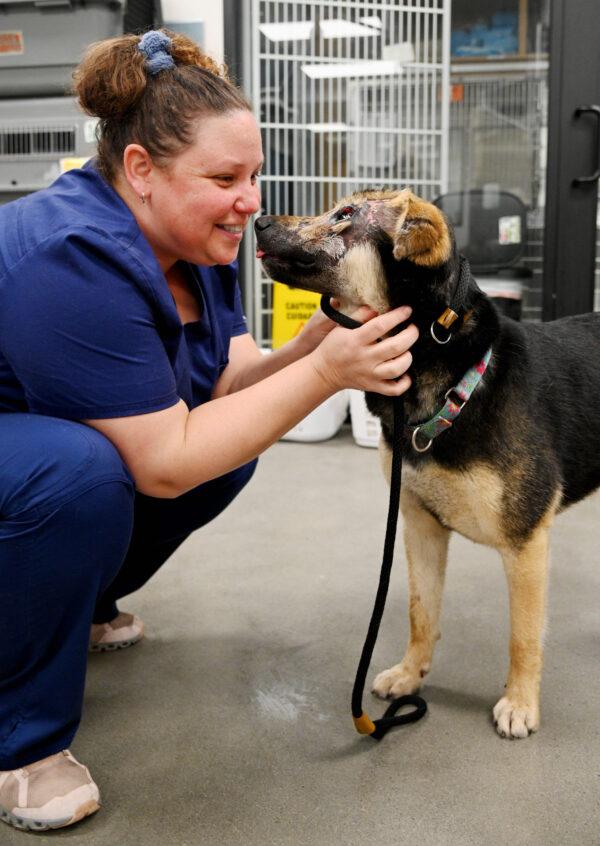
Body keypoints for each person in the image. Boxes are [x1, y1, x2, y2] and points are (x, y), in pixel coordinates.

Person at [0, 29, 418, 832]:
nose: (250, 199)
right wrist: (328, 377)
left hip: (43, 427)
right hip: (25, 452)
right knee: (81, 474)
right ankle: (24, 743)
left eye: (253, 175)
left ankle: (78, 605)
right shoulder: (71, 255)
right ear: (141, 172)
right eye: (225, 177)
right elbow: (161, 464)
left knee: (229, 453)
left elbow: (226, 386)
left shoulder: (202, 240)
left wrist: (309, 349)